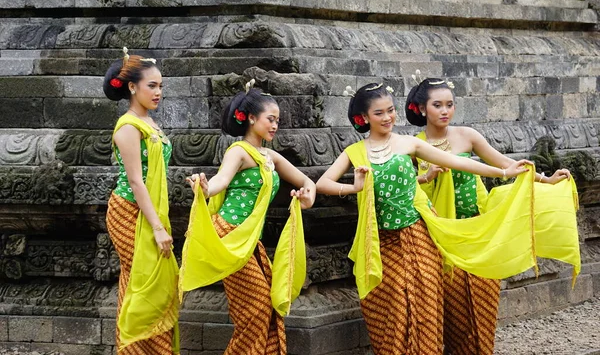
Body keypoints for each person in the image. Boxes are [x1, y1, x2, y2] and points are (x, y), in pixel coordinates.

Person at [315, 83, 531, 355]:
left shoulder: (409, 143)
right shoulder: (354, 152)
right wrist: (354, 188)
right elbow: (323, 183)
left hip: (418, 238)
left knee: (427, 311)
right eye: (379, 113)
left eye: (391, 111)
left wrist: (504, 172)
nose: (387, 118)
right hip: (380, 243)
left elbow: (459, 163)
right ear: (364, 118)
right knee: (389, 314)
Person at [405, 77, 571, 355]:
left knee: (482, 303)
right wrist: (427, 176)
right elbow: (406, 187)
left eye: (450, 104)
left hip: (480, 230)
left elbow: (506, 164)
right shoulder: (413, 145)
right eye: (437, 105)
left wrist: (547, 180)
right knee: (450, 308)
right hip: (441, 235)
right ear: (422, 109)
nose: (445, 111)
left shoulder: (467, 135)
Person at [181, 83, 316, 355]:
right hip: (230, 235)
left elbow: (306, 181)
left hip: (251, 241)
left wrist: (306, 198)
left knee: (263, 310)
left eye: (278, 120)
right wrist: (204, 188)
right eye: (270, 119)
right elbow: (220, 181)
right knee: (255, 311)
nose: (275, 125)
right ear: (252, 118)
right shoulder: (239, 151)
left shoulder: (271, 156)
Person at [104, 48, 180, 354]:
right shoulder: (128, 127)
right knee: (142, 281)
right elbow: (136, 181)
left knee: (148, 281)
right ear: (132, 87)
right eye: (152, 85)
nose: (158, 92)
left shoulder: (151, 124)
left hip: (150, 212)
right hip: (128, 212)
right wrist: (158, 228)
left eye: (161, 86)